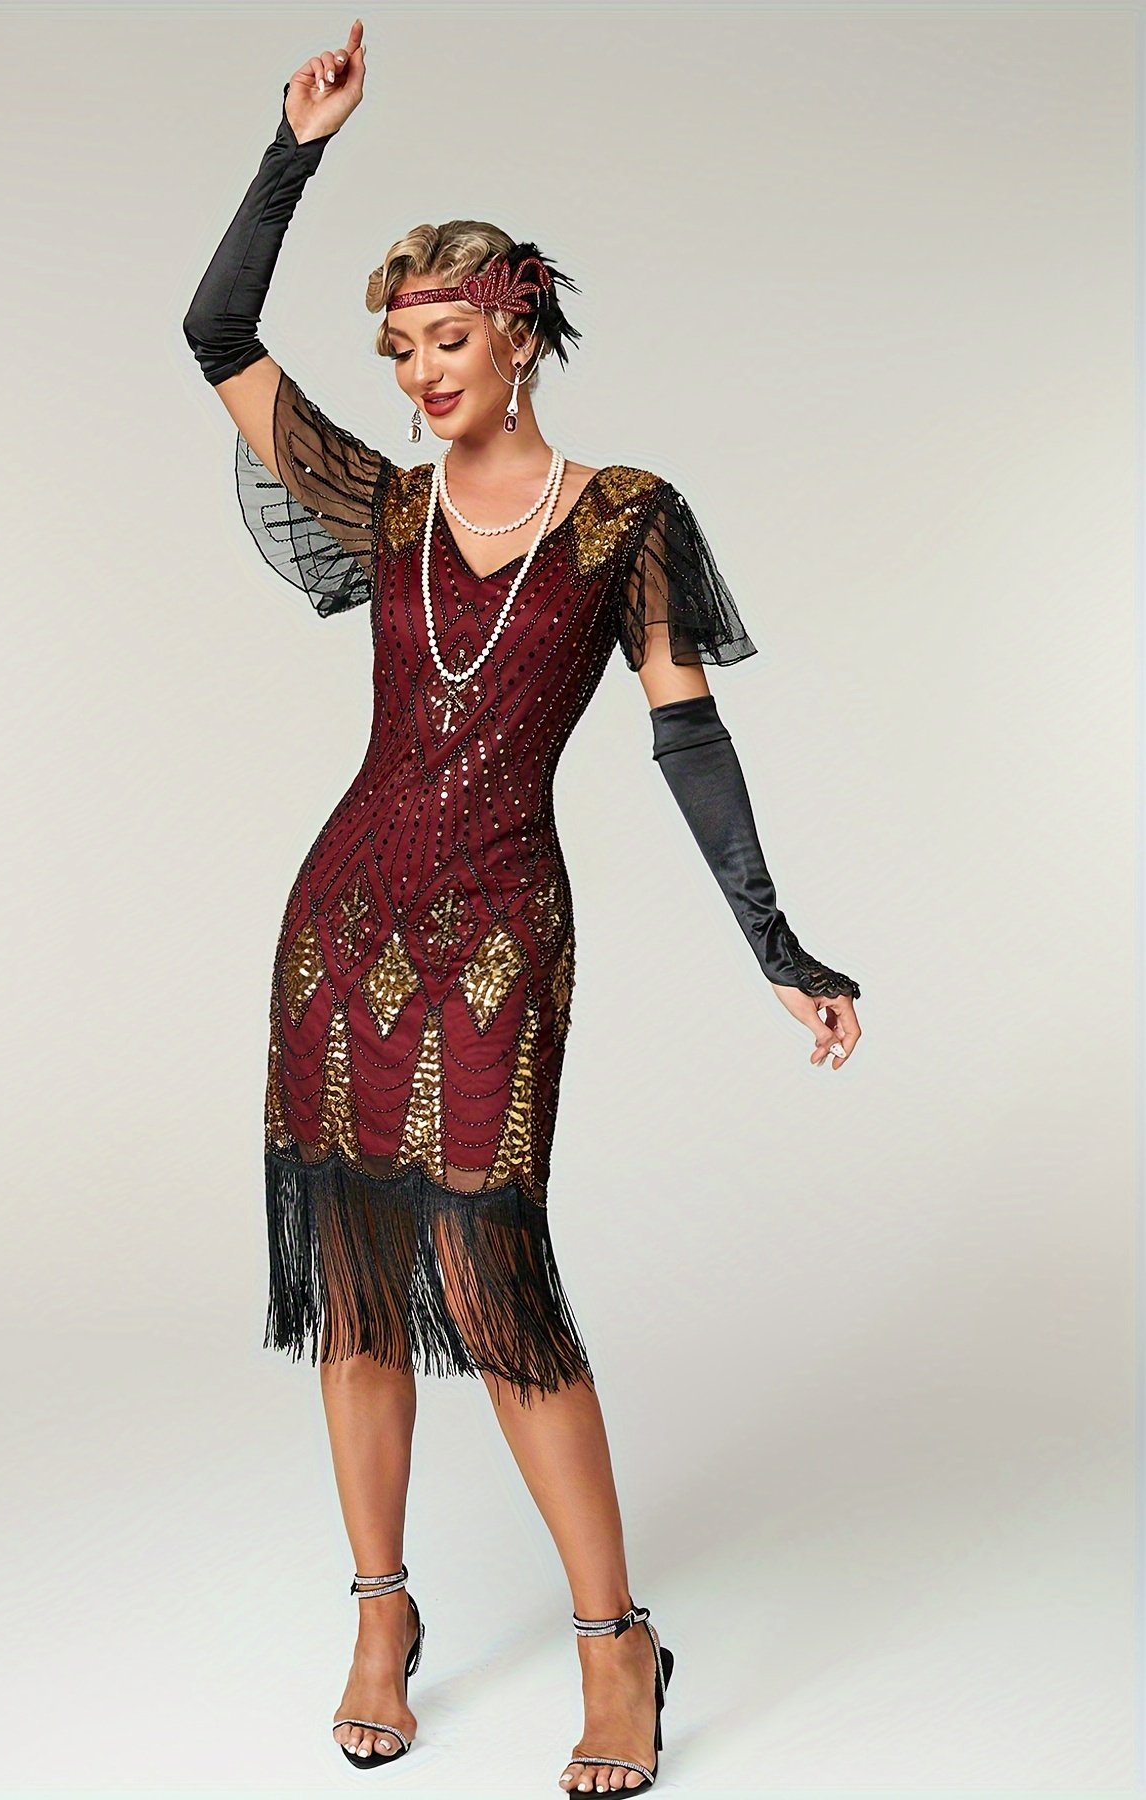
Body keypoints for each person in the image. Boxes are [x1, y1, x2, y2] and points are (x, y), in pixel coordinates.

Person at [182, 21, 862, 1793]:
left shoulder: (626, 517)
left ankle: (612, 1643)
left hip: (498, 931)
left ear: (521, 330)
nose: (419, 374)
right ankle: (379, 1614)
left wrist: (776, 945)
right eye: (399, 348)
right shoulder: (382, 504)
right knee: (353, 1281)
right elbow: (215, 336)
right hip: (339, 921)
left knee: (493, 1285)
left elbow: (685, 735)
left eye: (447, 339)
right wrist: (293, 149)